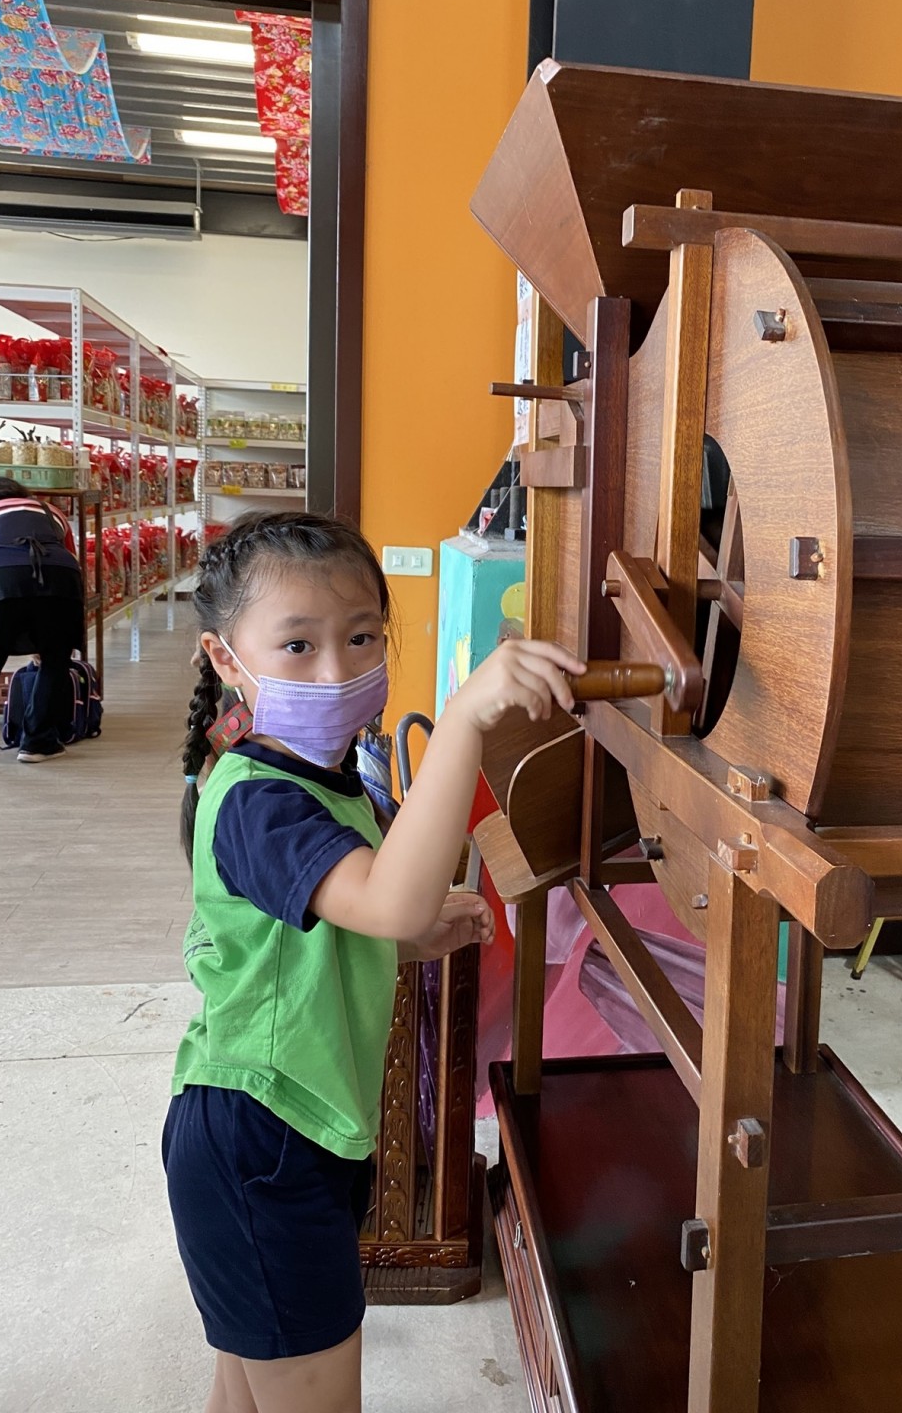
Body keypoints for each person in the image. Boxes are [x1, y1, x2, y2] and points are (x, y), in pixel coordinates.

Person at [166, 510, 582, 1413]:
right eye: (298, 645)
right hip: (262, 1143)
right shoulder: (260, 801)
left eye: (360, 638)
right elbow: (389, 896)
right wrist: (464, 720)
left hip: (284, 1134)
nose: (337, 669)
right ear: (225, 658)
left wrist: (408, 933)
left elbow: (352, 913)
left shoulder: (320, 779)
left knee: (244, 1397)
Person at [0, 475, 85, 763]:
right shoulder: (50, 511)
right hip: (59, 576)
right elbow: (71, 554)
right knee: (55, 660)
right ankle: (37, 743)